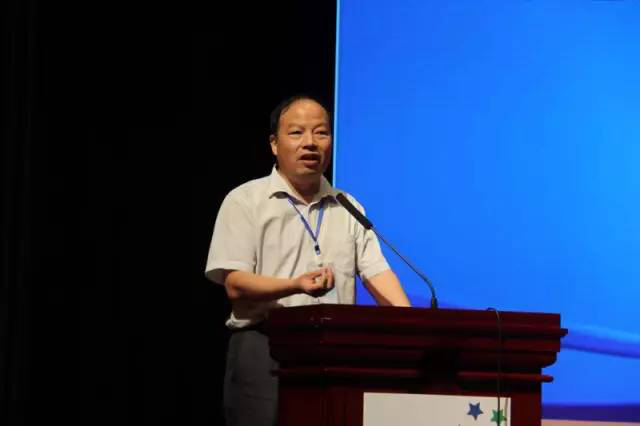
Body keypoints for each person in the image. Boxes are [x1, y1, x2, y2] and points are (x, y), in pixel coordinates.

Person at [205, 94, 411, 426]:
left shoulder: (347, 206)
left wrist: (412, 326)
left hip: (336, 350)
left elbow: (377, 272)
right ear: (274, 144)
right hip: (265, 346)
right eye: (297, 132)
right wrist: (295, 285)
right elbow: (235, 285)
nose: (310, 143)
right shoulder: (245, 201)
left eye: (321, 133)